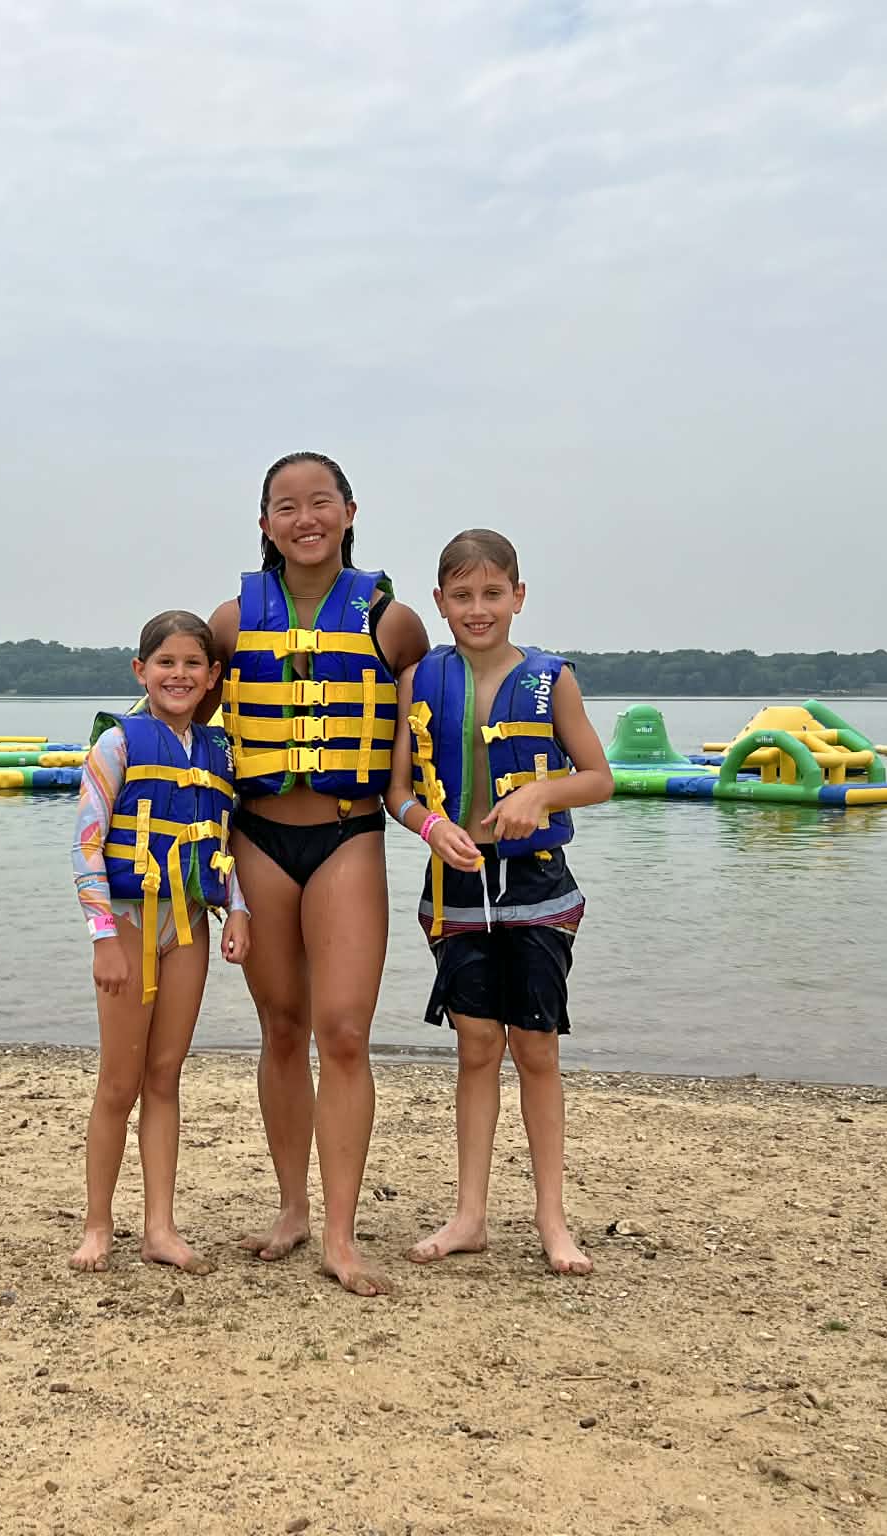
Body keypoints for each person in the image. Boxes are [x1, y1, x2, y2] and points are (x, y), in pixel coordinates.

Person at [208, 452, 430, 1297]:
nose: (306, 518)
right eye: (286, 506)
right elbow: (181, 713)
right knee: (280, 1026)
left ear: (349, 512)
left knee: (342, 1031)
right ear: (264, 522)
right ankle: (292, 1206)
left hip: (347, 837)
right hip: (258, 840)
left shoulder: (396, 623)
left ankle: (342, 1234)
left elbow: (441, 722)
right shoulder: (232, 621)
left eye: (321, 503)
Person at [383, 529, 616, 1275]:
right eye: (462, 596)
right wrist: (431, 825)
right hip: (453, 892)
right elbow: (398, 793)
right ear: (440, 603)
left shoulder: (554, 679)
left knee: (536, 1050)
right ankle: (470, 1215)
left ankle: (553, 1221)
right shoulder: (419, 678)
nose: (477, 609)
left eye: (492, 594)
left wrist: (541, 793)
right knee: (476, 1048)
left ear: (518, 597)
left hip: (538, 889)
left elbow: (599, 776)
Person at [69, 611, 251, 1275]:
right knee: (119, 1083)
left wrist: (238, 912)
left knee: (166, 1077)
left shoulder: (219, 752)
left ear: (212, 678)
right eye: (165, 663)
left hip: (190, 928)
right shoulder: (116, 746)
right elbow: (87, 847)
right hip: (129, 923)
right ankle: (97, 1224)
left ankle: (160, 1227)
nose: (179, 675)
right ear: (140, 670)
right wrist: (103, 938)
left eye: (192, 665)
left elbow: (223, 846)